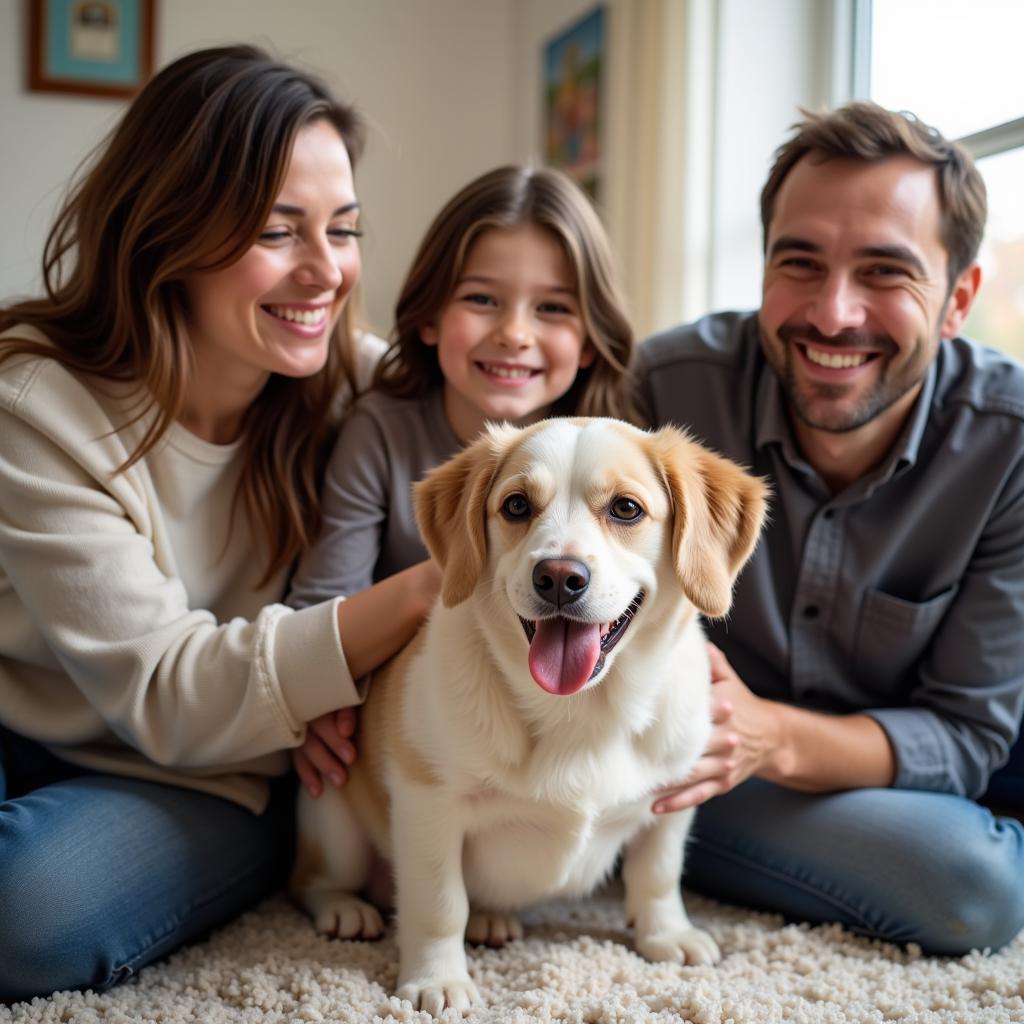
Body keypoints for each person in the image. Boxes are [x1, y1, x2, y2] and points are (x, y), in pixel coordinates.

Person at [0, 45, 440, 1003]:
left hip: (212, 775)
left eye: (345, 229)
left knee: (24, 915)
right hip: (36, 729)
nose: (326, 271)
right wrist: (419, 596)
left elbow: (521, 424)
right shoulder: (42, 406)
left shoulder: (356, 388)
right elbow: (163, 681)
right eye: (280, 231)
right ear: (171, 232)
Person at [635, 101, 1024, 956]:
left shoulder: (1010, 441)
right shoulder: (665, 391)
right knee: (972, 886)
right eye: (799, 262)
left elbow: (968, 733)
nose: (833, 313)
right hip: (697, 757)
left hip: (880, 751)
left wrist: (772, 736)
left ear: (958, 298)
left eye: (886, 273)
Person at [285, 165, 639, 795]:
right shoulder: (381, 431)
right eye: (481, 299)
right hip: (423, 740)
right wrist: (314, 703)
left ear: (589, 342)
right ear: (428, 317)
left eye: (553, 307)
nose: (514, 333)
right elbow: (321, 608)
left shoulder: (618, 455)